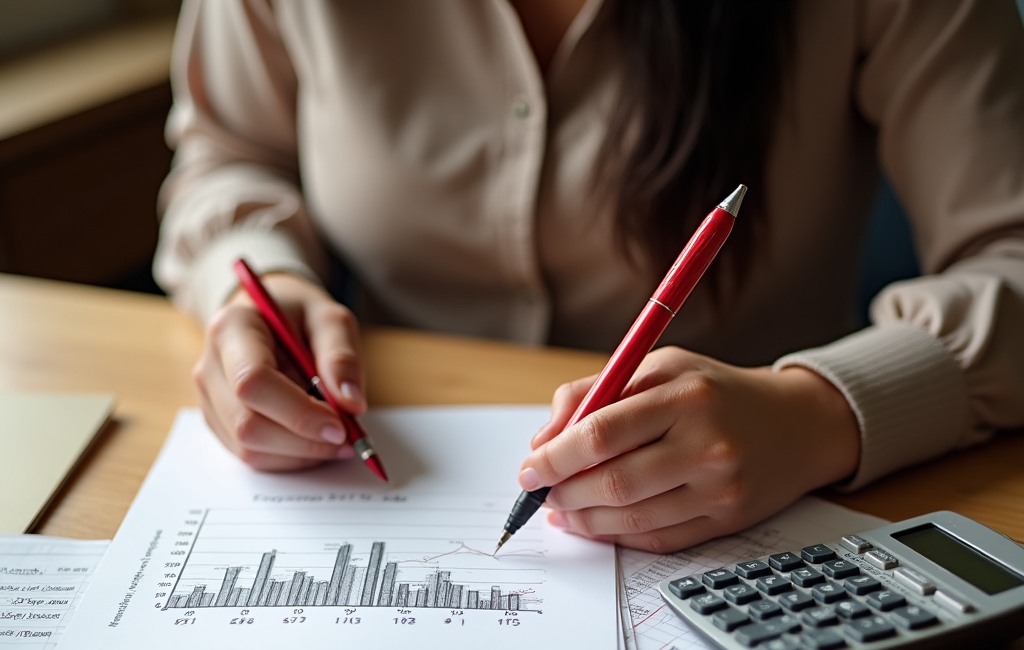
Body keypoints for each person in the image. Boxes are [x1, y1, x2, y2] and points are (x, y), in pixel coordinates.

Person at [155, 0, 1024, 553]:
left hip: (762, 522)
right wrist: (262, 285)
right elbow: (226, 158)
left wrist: (818, 412)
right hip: (386, 416)